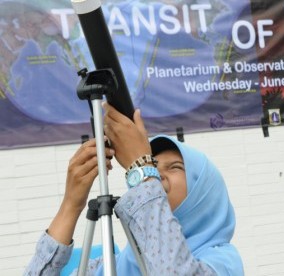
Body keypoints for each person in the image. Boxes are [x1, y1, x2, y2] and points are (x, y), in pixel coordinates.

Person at [24, 102, 244, 275]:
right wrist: (70, 205)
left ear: (203, 194)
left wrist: (143, 169)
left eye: (175, 167)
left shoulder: (223, 262)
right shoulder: (116, 265)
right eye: (153, 166)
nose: (156, 174)